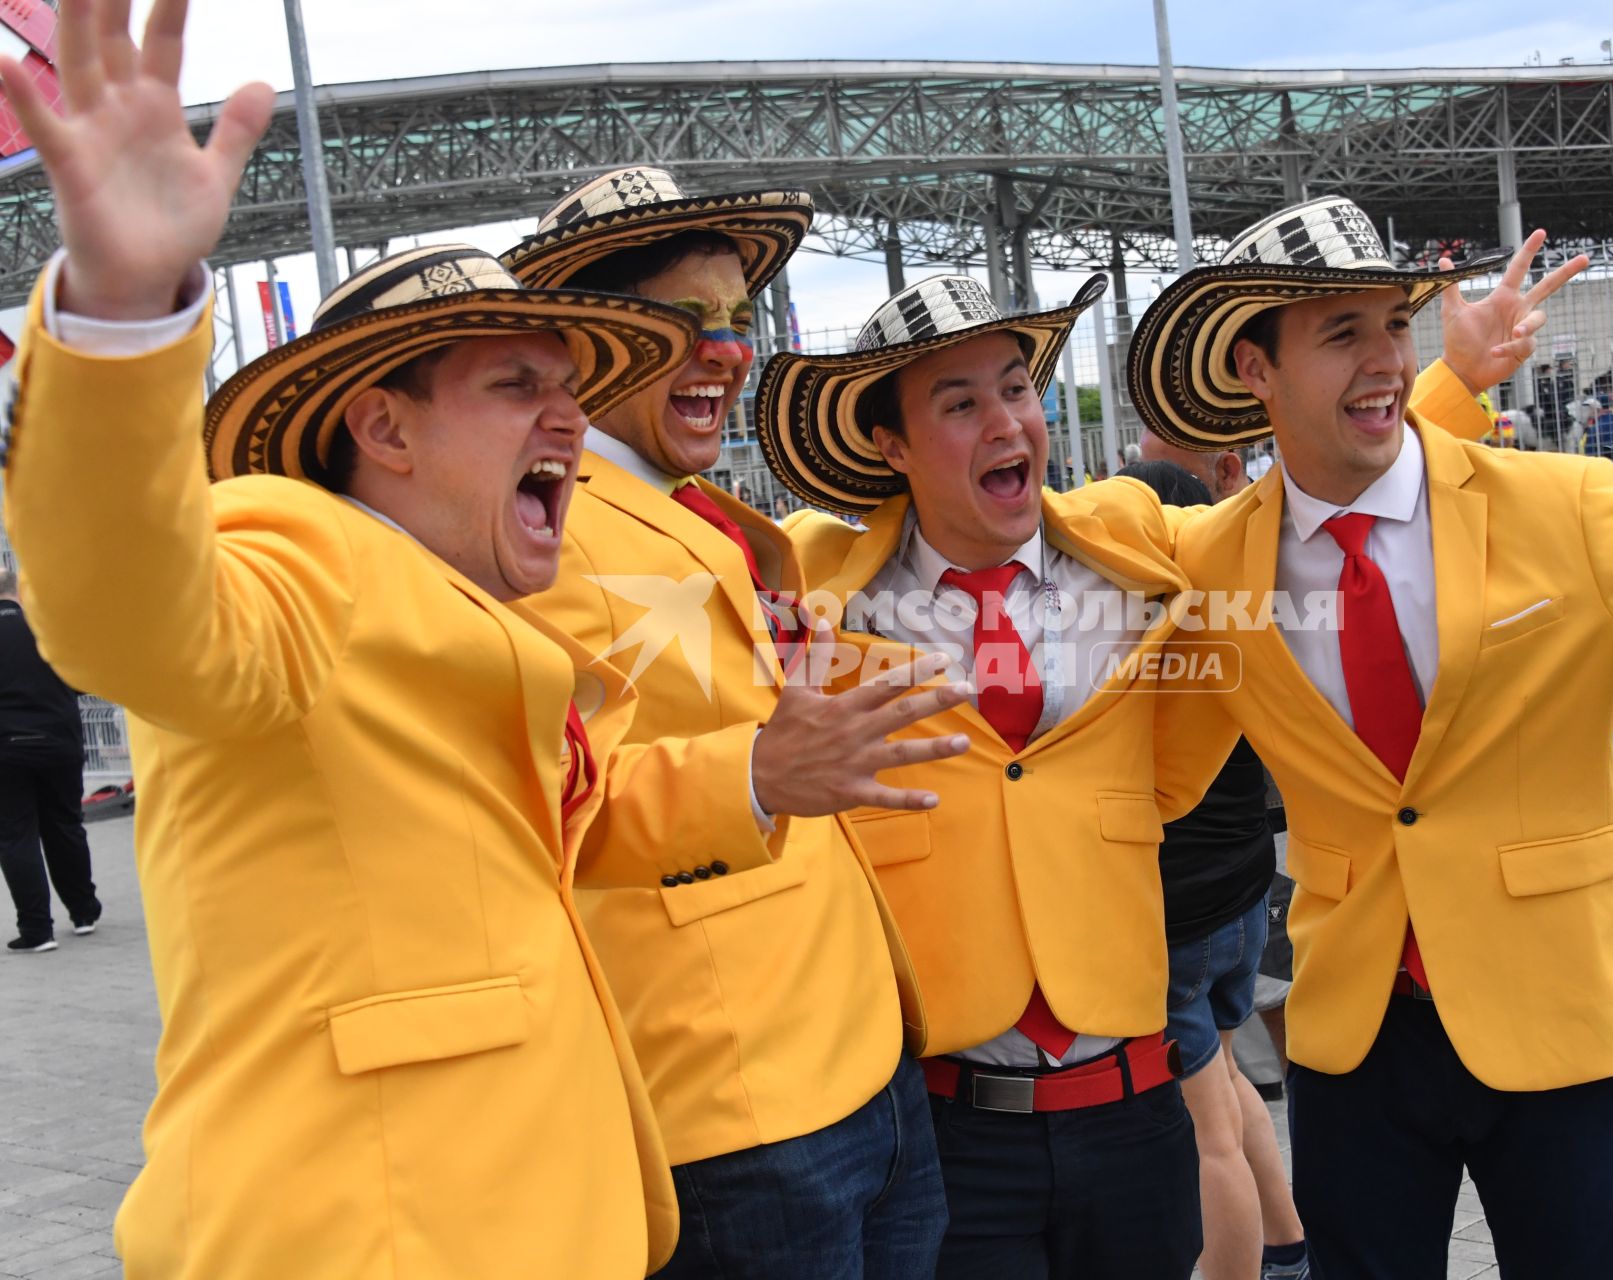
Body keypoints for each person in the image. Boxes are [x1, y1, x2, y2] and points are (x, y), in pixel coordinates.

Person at [0, 6, 747, 1272]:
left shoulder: (470, 606)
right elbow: (134, 614)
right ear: (383, 432)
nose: (567, 420)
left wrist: (760, 778)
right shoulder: (300, 548)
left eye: (568, 386)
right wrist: (121, 319)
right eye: (517, 386)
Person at [1127, 193, 1613, 1280]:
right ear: (1254, 372)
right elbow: (1145, 754)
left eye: (1394, 328)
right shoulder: (1214, 560)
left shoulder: (1568, 505)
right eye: (1340, 334)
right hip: (1355, 1037)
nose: (1384, 363)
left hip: (1556, 1020)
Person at [504, 165, 965, 1278]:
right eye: (685, 322)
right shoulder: (536, 529)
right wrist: (758, 769)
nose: (728, 351)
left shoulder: (694, 508)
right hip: (733, 1107)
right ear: (592, 342)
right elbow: (553, 802)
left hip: (865, 1060)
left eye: (738, 322)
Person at [757, 271, 1214, 1279]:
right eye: (959, 404)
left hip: (1134, 1106)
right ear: (891, 445)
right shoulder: (822, 588)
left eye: (1015, 387)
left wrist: (1443, 389)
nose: (1006, 421)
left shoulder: (1131, 541)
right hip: (944, 1127)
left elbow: (1291, 523)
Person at [1117, 459, 1309, 1280]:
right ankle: (1292, 1248)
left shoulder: (1147, 639)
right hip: (1242, 902)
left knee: (1207, 1131)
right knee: (1228, 1079)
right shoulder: (1234, 624)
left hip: (1182, 918)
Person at [0, 568, 100, 953]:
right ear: (18, 592)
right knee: (65, 824)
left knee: (15, 834)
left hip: (6, 748)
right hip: (59, 742)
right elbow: (84, 680)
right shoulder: (49, 629)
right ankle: (84, 913)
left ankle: (37, 930)